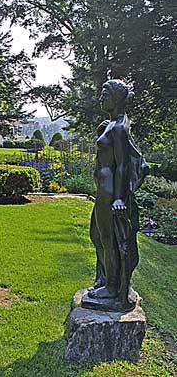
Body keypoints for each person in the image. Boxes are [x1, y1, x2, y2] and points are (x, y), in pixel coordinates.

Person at [86, 79, 148, 311]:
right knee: (98, 235)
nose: (101, 98)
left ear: (117, 98)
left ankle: (112, 288)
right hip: (104, 189)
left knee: (108, 240)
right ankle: (105, 280)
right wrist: (103, 130)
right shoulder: (113, 124)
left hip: (110, 191)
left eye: (105, 94)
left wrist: (120, 197)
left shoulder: (120, 127)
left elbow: (122, 165)